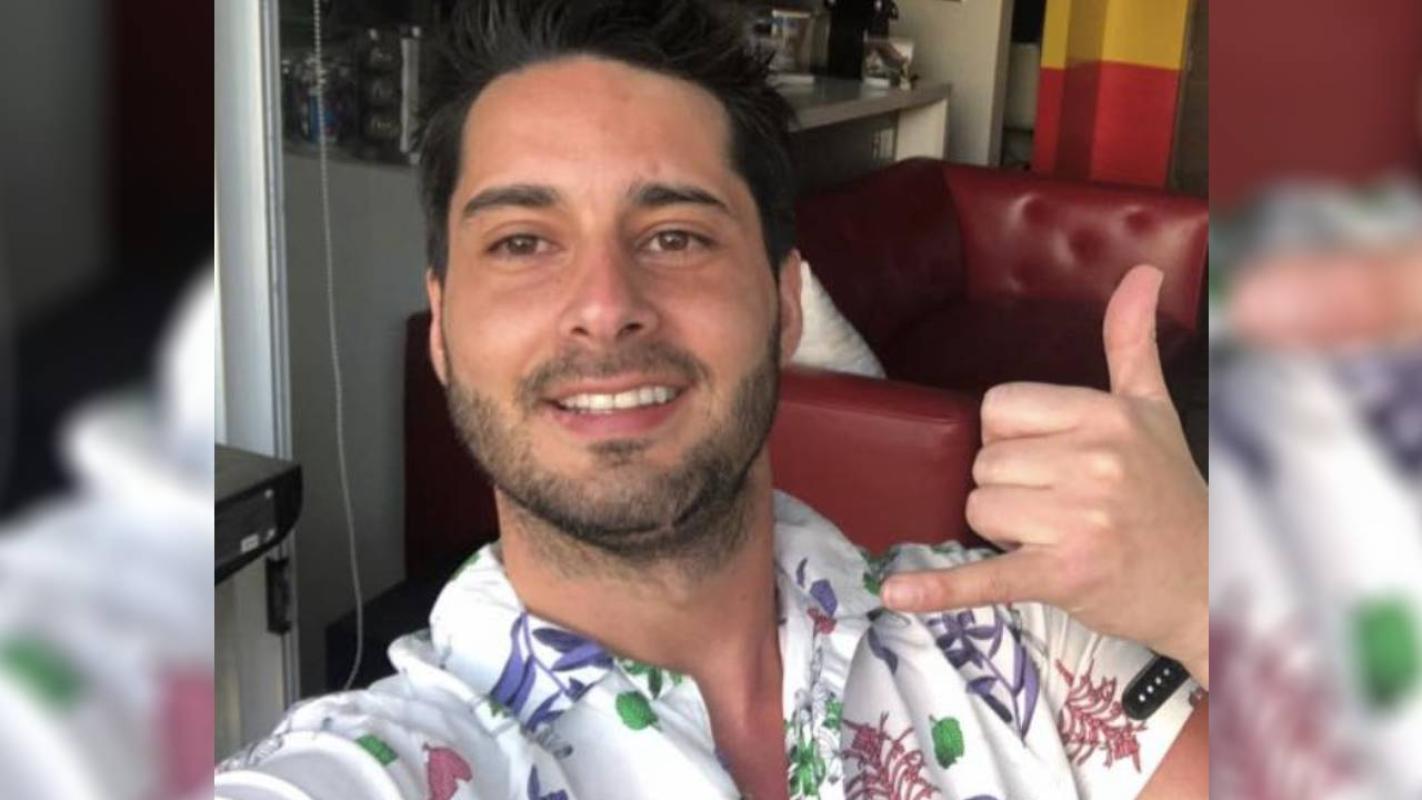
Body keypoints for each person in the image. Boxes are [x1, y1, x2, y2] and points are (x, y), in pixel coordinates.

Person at [217, 1, 1207, 797]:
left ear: (785, 305)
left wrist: (1201, 596)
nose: (604, 307)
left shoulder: (1018, 639)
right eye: (521, 242)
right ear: (442, 328)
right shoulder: (385, 767)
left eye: (676, 236)